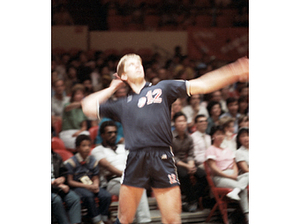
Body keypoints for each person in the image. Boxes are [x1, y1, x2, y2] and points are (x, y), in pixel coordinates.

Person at [81, 53, 248, 224]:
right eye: (131, 64)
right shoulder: (122, 104)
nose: (138, 65)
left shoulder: (162, 88)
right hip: (135, 157)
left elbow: (202, 84)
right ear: (123, 75)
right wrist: (112, 87)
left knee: (172, 220)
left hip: (161, 157)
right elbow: (87, 106)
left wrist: (234, 71)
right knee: (124, 219)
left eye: (139, 63)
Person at [91, 120, 151, 223]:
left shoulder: (123, 148)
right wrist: (127, 175)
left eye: (115, 132)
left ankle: (143, 221)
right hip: (112, 182)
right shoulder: (97, 150)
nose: (113, 135)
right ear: (102, 135)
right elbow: (107, 166)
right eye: (109, 133)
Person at [64, 135, 113, 224]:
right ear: (77, 148)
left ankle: (103, 218)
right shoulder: (71, 162)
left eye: (89, 145)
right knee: (89, 196)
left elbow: (95, 177)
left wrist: (95, 185)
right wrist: (86, 186)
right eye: (84, 145)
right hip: (77, 187)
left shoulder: (93, 160)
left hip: (90, 185)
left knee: (106, 195)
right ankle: (96, 220)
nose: (87, 148)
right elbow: (70, 182)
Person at [205, 125, 249, 223]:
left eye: (222, 134)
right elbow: (213, 168)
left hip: (233, 176)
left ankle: (236, 191)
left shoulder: (227, 149)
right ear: (213, 136)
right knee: (242, 189)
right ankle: (248, 216)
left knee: (248, 175)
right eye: (218, 134)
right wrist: (229, 176)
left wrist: (235, 174)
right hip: (220, 177)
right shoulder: (211, 149)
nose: (220, 136)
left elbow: (234, 164)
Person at [172, 112, 206, 212]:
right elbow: (171, 156)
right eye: (179, 121)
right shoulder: (170, 137)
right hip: (173, 164)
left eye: (184, 121)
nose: (182, 123)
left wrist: (191, 165)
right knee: (184, 174)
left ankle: (191, 198)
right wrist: (187, 166)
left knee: (203, 175)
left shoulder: (189, 138)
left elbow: (191, 154)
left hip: (187, 163)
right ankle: (192, 201)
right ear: (174, 123)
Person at [51, 150, 81, 224]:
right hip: (53, 188)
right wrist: (55, 184)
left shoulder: (55, 156)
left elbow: (64, 172)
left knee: (74, 199)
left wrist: (63, 178)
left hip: (58, 186)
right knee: (56, 200)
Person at [59, 84, 90, 150]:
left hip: (78, 133)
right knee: (80, 143)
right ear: (73, 96)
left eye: (82, 94)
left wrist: (78, 132)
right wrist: (84, 102)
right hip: (67, 133)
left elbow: (84, 126)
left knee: (86, 134)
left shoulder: (83, 109)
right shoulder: (67, 105)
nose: (81, 96)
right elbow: (68, 108)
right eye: (78, 94)